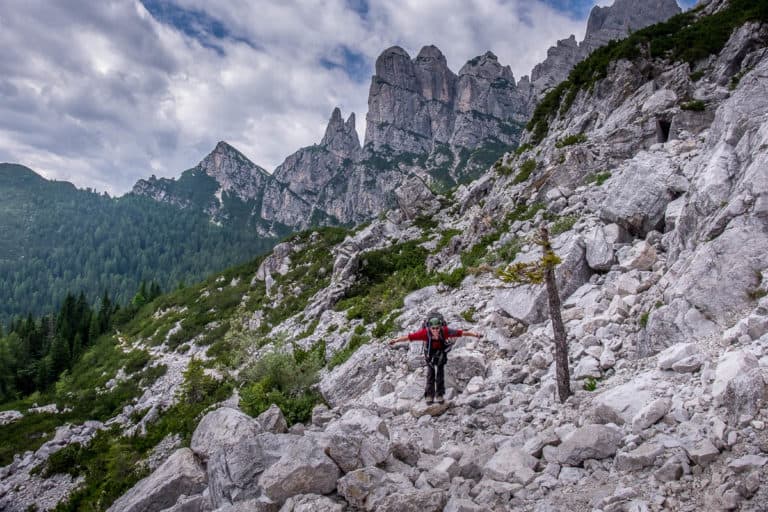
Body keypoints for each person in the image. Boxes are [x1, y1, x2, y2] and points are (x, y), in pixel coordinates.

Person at [389, 316, 483, 404]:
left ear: (440, 327)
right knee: (431, 374)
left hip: (441, 352)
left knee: (440, 374)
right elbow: (409, 337)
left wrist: (475, 334)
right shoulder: (424, 333)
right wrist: (396, 340)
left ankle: (439, 395)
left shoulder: (445, 331)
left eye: (437, 328)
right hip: (430, 354)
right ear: (429, 328)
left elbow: (461, 333)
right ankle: (429, 395)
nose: (435, 330)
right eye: (433, 328)